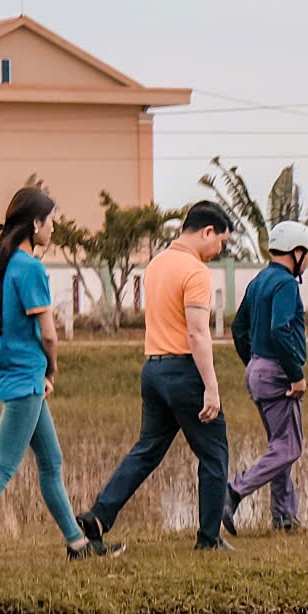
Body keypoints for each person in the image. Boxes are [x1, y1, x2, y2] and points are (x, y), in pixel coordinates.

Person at [0, 185, 118, 566]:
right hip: (26, 379)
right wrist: (51, 369)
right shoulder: (31, 268)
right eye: (50, 221)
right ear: (35, 224)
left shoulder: (6, 265)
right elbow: (49, 334)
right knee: (2, 466)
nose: (53, 228)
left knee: (51, 462)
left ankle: (77, 544)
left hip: (18, 375)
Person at [79, 200, 237, 551]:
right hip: (184, 371)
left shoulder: (157, 264)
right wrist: (211, 387)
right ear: (207, 232)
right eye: (221, 241)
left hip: (153, 369)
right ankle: (209, 539)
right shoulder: (196, 271)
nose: (220, 250)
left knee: (146, 451)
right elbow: (197, 333)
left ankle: (99, 517)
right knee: (214, 455)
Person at [226, 220, 308, 535]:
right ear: (296, 251)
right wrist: (295, 375)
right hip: (278, 372)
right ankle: (234, 491)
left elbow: (238, 328)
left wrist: (254, 363)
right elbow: (280, 329)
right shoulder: (286, 284)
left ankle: (284, 516)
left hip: (257, 369)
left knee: (280, 446)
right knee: (290, 448)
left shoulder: (259, 281)